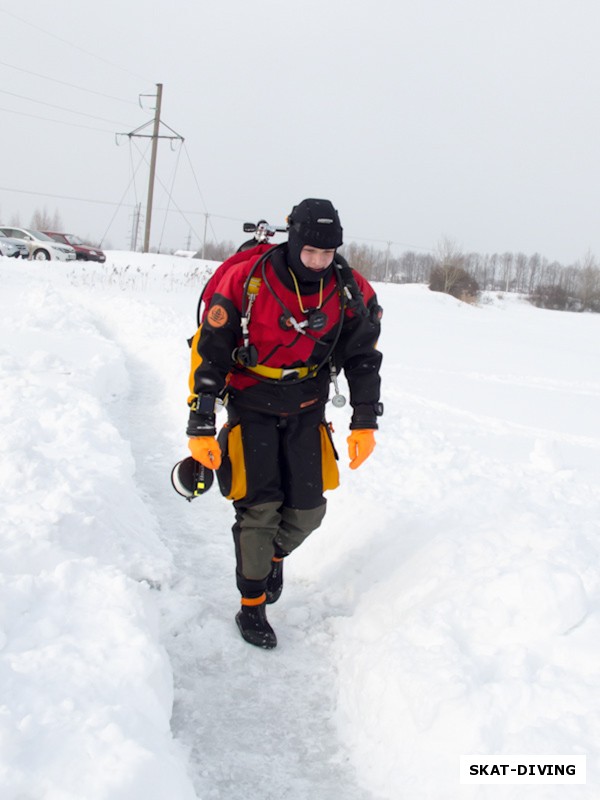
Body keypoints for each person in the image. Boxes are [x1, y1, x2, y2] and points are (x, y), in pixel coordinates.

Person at [186, 198, 383, 649]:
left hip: (307, 402)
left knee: (308, 510)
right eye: (310, 252)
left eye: (327, 254)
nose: (318, 262)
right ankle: (251, 606)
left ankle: (274, 556)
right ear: (292, 239)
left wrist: (364, 420)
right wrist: (200, 422)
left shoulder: (346, 288)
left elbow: (363, 357)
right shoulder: (247, 280)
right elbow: (212, 352)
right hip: (251, 400)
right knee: (260, 508)